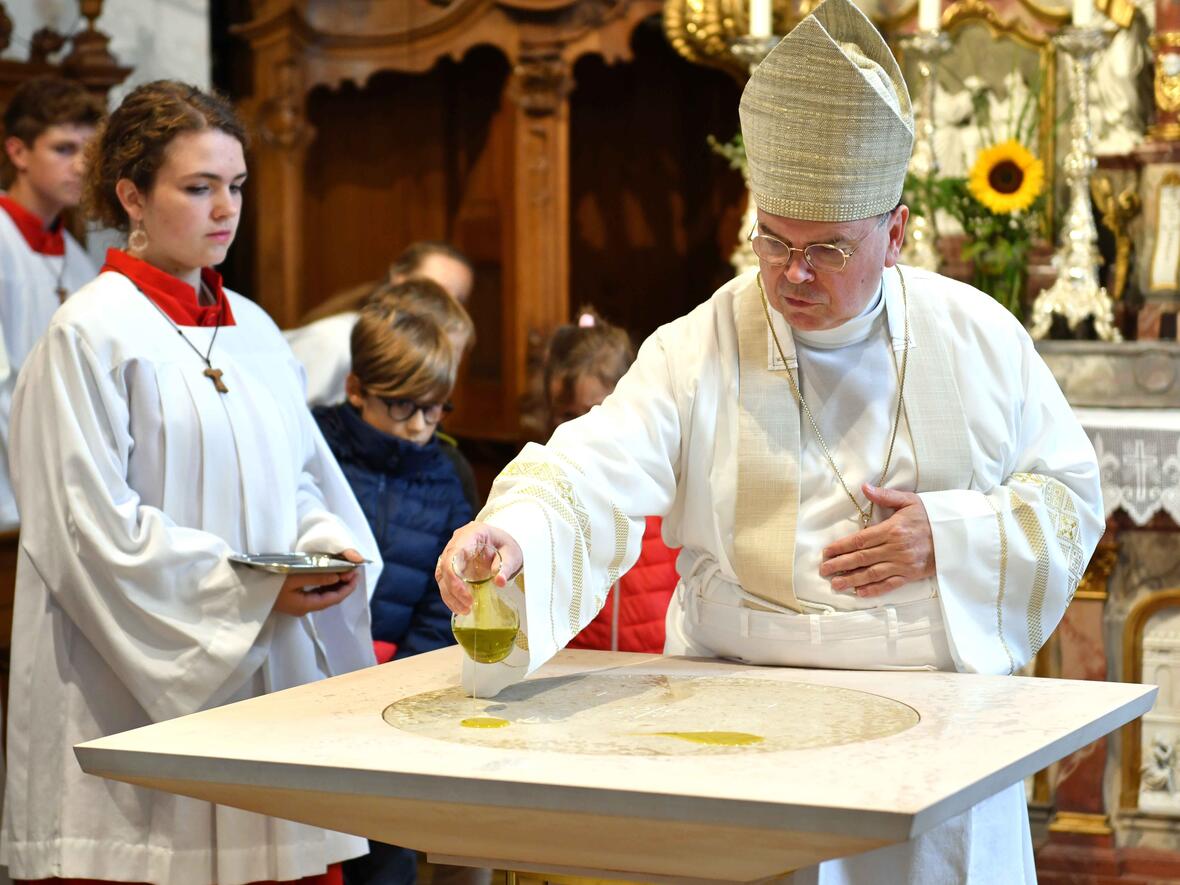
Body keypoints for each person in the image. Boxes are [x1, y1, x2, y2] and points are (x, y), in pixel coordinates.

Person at [435, 1, 1103, 881]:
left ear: (896, 234)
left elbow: (1067, 498)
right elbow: (594, 461)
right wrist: (512, 531)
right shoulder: (701, 341)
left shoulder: (976, 336)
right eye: (774, 240)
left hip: (934, 711)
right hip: (734, 706)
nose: (790, 274)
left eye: (826, 250)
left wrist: (950, 534)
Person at [1, 80, 381, 885]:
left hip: (265, 686)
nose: (225, 209)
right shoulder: (90, 333)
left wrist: (320, 550)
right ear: (131, 194)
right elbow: (85, 528)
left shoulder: (253, 326)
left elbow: (304, 480)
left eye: (235, 186)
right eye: (198, 187)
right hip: (130, 695)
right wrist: (246, 588)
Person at [313, 297, 481, 885]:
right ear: (357, 389)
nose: (418, 426)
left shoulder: (442, 475)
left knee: (387, 852)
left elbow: (450, 595)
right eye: (402, 406)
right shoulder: (317, 450)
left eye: (433, 410)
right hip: (313, 687)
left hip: (393, 694)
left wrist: (402, 679)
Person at [0, 76, 103, 531]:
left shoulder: (81, 261)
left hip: (61, 478)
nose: (82, 165)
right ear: (18, 152)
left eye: (88, 150)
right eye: (63, 149)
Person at [545, 309, 679, 654]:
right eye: (567, 416)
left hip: (656, 666)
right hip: (576, 665)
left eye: (593, 413)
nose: (579, 430)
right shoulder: (550, 489)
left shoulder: (665, 488)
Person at [286, 242, 475, 406]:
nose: (447, 307)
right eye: (433, 290)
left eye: (458, 300)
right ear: (398, 279)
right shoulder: (334, 341)